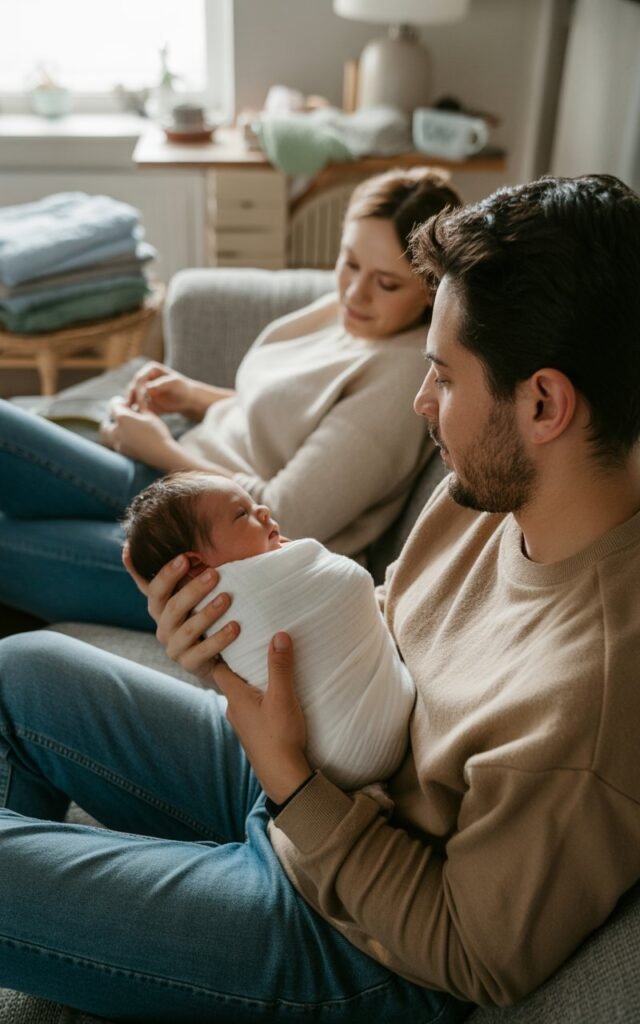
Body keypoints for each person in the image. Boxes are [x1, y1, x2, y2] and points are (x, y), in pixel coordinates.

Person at [0, 173, 639, 1022]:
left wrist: (292, 782)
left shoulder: (589, 700)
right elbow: (381, 623)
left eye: (445, 379)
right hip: (319, 780)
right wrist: (235, 649)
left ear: (545, 403)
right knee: (23, 669)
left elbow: (469, 953)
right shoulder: (486, 499)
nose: (422, 404)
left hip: (354, 941)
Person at [0, 168, 462, 630]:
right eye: (350, 263)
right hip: (174, 483)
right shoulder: (349, 314)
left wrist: (158, 448)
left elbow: (286, 512)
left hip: (212, 552)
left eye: (386, 283)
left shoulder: (400, 378)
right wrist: (195, 396)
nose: (355, 292)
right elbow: (294, 417)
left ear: (430, 291)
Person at [123, 471, 415, 789]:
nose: (263, 510)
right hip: (336, 754)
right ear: (195, 565)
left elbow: (341, 594)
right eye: (242, 513)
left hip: (310, 780)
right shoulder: (224, 603)